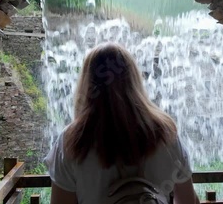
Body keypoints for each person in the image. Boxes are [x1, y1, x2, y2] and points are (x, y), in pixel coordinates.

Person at [45, 43, 201, 204]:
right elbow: (187, 200)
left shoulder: (71, 142)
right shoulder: (167, 134)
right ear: (134, 78)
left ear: (87, 82)